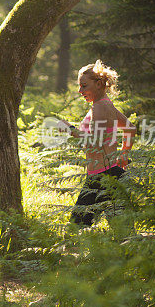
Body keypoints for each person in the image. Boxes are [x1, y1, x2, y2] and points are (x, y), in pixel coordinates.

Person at [61, 60, 136, 226]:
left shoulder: (98, 108)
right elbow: (130, 128)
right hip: (113, 174)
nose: (80, 91)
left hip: (100, 177)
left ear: (99, 84)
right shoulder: (106, 104)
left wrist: (70, 129)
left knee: (75, 229)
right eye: (79, 86)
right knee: (123, 232)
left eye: (84, 86)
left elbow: (95, 141)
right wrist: (124, 153)